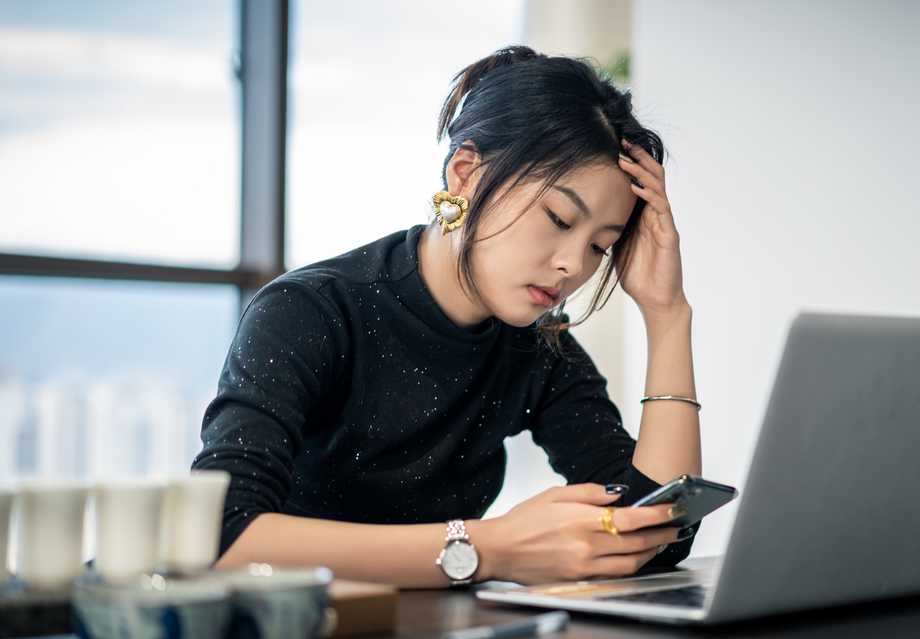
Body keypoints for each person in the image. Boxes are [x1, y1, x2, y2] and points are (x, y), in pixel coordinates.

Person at [192, 45, 703, 589]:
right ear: (465, 175)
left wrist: (667, 314)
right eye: (559, 219)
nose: (572, 265)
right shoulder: (310, 311)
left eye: (601, 247)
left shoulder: (536, 347)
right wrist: (490, 549)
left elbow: (658, 535)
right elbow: (221, 536)